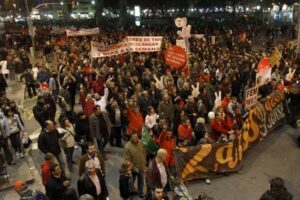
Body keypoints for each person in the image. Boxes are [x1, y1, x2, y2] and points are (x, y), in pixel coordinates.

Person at [125, 132, 147, 198]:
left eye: (136, 137)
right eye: (133, 137)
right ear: (130, 137)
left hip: (141, 166)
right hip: (133, 168)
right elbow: (127, 159)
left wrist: (145, 163)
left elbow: (144, 152)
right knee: (131, 182)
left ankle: (140, 193)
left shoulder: (141, 143)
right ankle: (131, 193)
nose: (135, 138)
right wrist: (133, 168)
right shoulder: (127, 146)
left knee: (141, 181)